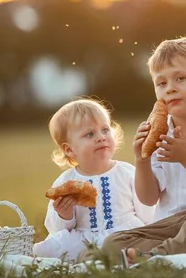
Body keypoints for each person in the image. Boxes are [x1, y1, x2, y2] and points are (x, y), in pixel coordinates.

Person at [99, 37, 186, 265]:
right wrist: (142, 159)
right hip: (168, 225)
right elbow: (148, 198)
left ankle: (161, 257)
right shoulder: (159, 132)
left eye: (180, 78)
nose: (170, 88)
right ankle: (184, 252)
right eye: (161, 83)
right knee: (113, 243)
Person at [32, 98, 155, 262]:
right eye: (90, 134)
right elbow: (57, 230)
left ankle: (112, 256)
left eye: (105, 130)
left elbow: (147, 211)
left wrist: (149, 229)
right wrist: (64, 215)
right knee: (50, 247)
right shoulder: (66, 181)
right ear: (69, 149)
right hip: (84, 239)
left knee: (145, 240)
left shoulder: (126, 172)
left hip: (124, 234)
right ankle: (98, 256)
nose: (101, 137)